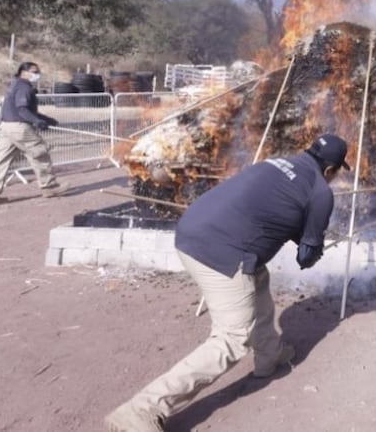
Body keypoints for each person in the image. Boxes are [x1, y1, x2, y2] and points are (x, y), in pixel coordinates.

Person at [104, 134, 351, 432]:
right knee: (232, 339)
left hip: (191, 233)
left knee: (256, 278)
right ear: (331, 170)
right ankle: (141, 410)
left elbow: (269, 209)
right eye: (337, 173)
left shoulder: (276, 161)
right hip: (223, 253)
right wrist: (315, 243)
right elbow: (305, 257)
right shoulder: (320, 191)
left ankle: (270, 355)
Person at [0, 61, 68, 206]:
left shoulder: (15, 85)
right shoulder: (24, 87)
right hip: (19, 128)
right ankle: (49, 187)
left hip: (6, 127)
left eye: (38, 72)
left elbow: (25, 110)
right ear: (24, 72)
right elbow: (22, 109)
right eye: (34, 72)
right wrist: (36, 122)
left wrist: (45, 119)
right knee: (40, 153)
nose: (37, 74)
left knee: (1, 162)